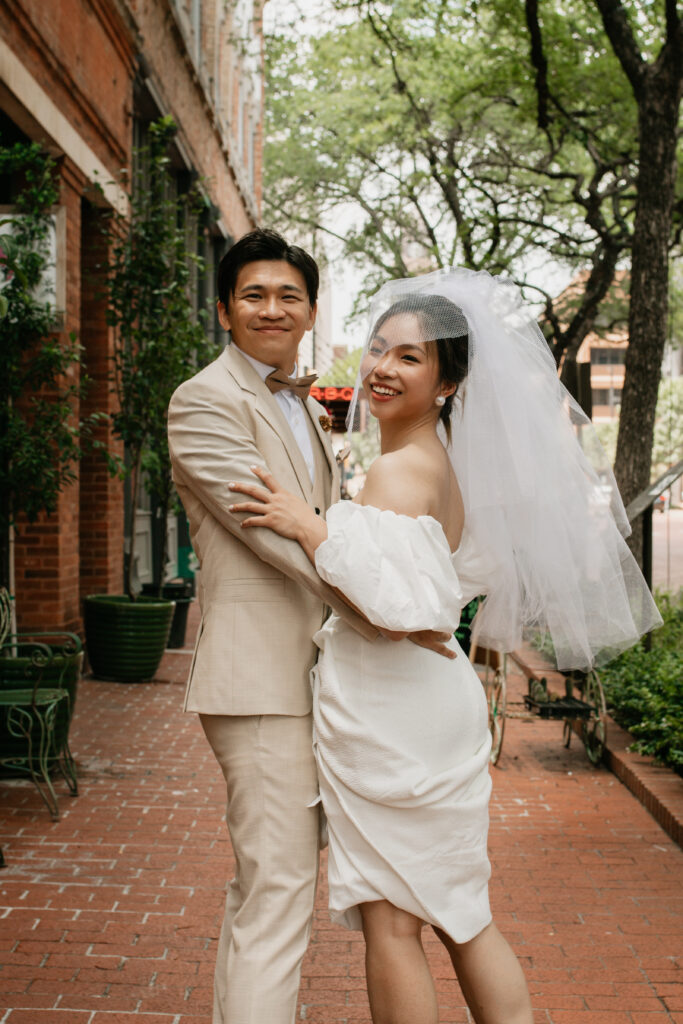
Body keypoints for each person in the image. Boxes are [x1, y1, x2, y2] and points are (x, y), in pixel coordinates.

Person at [227, 267, 661, 1024]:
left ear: (448, 384)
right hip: (423, 706)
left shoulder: (400, 472)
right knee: (460, 911)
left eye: (410, 358)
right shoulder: (438, 463)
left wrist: (310, 526)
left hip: (392, 714)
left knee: (393, 920)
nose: (381, 369)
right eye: (377, 349)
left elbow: (407, 613)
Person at [167, 229, 455, 1024]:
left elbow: (331, 525)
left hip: (324, 679)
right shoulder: (205, 401)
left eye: (288, 295)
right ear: (225, 309)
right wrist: (384, 612)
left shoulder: (295, 400)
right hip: (261, 681)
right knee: (278, 891)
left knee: (278, 888)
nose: (271, 307)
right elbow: (273, 537)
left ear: (309, 310)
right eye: (253, 294)